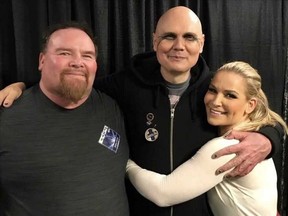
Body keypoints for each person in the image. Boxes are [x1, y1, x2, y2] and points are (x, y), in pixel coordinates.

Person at [0, 6, 284, 216]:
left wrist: (269, 140)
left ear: (202, 43)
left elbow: (260, 115)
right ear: (154, 41)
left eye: (189, 37)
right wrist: (24, 87)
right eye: (169, 36)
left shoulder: (214, 90)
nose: (179, 46)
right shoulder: (126, 85)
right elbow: (75, 84)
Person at [126, 61, 288, 216]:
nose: (216, 102)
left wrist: (126, 164)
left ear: (250, 105)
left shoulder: (230, 146)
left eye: (230, 95)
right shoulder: (253, 135)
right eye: (212, 90)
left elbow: (162, 193)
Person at [0, 22, 129, 215]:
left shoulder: (113, 107)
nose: (77, 62)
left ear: (95, 65)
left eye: (87, 55)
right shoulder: (7, 116)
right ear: (42, 61)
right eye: (64, 53)